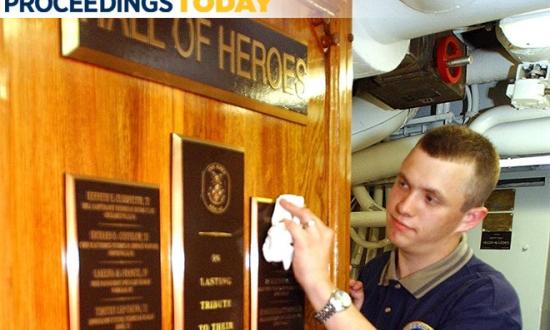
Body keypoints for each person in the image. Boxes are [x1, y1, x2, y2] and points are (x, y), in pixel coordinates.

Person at [281, 125, 521, 329]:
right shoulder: (374, 272)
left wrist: (318, 284)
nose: (404, 206)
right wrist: (350, 314)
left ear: (469, 219)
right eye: (404, 184)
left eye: (430, 198)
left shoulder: (489, 300)